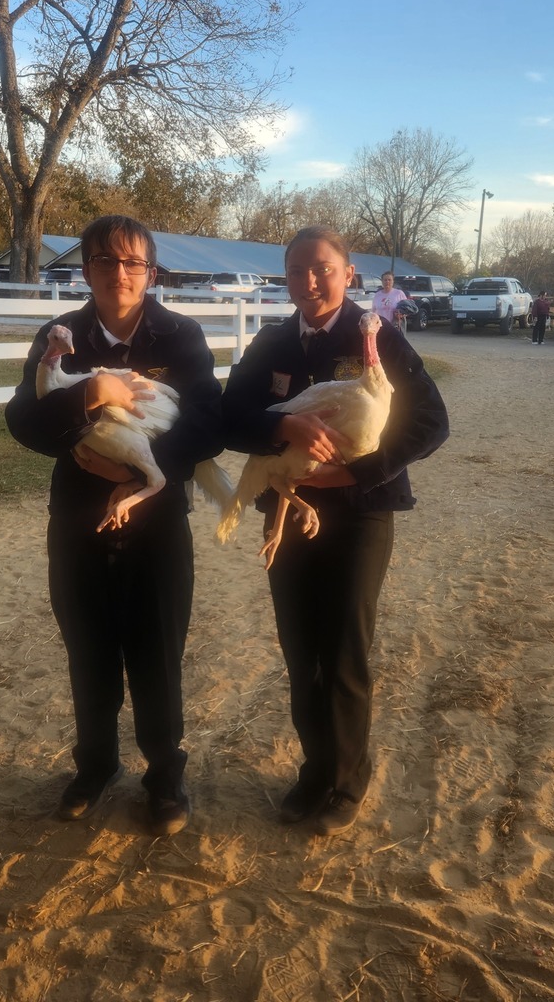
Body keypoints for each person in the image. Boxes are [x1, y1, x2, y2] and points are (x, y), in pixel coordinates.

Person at [221, 225, 449, 837]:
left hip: (361, 514)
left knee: (344, 650)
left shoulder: (377, 339)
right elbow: (225, 417)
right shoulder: (273, 345)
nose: (310, 281)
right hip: (289, 513)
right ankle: (315, 772)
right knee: (302, 651)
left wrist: (355, 472)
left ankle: (348, 781)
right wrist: (280, 430)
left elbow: (431, 421)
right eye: (297, 271)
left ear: (349, 273)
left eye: (323, 268)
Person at [4, 215, 224, 834]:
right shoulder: (61, 334)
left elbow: (207, 424)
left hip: (157, 524)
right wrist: (92, 393)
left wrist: (138, 476)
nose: (119, 274)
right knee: (89, 649)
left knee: (158, 652)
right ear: (87, 269)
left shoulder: (179, 336)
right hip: (76, 520)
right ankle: (95, 765)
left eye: (132, 263)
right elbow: (24, 419)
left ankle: (165, 776)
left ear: (150, 271)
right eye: (105, 261)